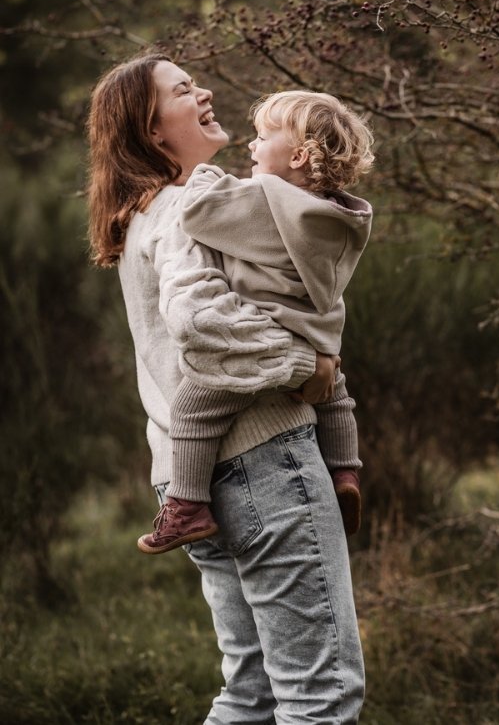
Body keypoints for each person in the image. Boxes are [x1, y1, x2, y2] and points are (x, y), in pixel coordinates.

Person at [87, 50, 365, 723]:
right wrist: (309, 367)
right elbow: (202, 322)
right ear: (153, 130)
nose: (205, 92)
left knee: (251, 693)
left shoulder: (147, 212)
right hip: (260, 460)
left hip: (189, 473)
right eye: (184, 90)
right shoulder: (190, 208)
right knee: (320, 696)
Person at [137, 89, 374, 555]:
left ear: (298, 156)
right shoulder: (338, 216)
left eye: (263, 137)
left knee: (193, 410)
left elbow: (201, 212)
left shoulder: (271, 202)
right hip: (315, 338)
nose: (251, 144)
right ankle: (345, 470)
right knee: (336, 396)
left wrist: (204, 174)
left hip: (259, 339)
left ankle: (187, 506)